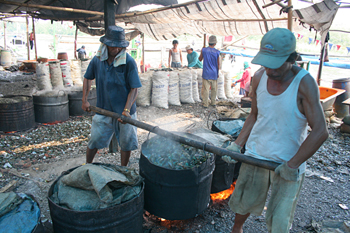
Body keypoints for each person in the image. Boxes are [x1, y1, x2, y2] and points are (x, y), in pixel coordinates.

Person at [226, 28, 328, 233]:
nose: (270, 71)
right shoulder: (259, 77)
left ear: (292, 58)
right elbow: (254, 114)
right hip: (256, 153)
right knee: (244, 201)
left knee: (280, 218)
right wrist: (237, 145)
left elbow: (320, 131)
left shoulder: (305, 84)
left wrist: (292, 165)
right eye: (266, 64)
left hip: (288, 161)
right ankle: (237, 229)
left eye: (276, 65)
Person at [82, 25, 142, 166]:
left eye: (118, 47)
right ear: (106, 44)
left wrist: (126, 111)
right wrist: (84, 100)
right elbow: (87, 78)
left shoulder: (129, 62)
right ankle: (87, 165)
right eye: (112, 46)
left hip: (125, 112)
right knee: (95, 139)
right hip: (104, 109)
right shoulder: (97, 60)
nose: (115, 49)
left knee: (126, 143)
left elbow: (134, 88)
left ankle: (123, 168)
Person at [199, 35, 220, 108]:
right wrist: (217, 73)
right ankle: (213, 102)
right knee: (214, 89)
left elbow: (200, 59)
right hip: (214, 73)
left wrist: (202, 50)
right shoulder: (217, 52)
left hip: (206, 73)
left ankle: (205, 103)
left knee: (206, 89)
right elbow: (218, 63)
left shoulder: (204, 50)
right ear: (215, 43)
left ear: (209, 42)